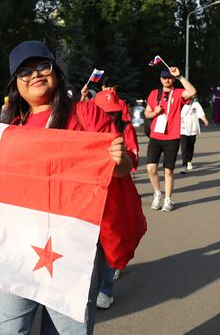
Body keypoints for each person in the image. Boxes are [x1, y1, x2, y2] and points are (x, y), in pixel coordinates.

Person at [0, 40, 137, 335]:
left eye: (42, 66)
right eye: (24, 72)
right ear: (16, 84)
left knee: (66, 331)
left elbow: (123, 167)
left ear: (56, 72)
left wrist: (119, 161)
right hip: (18, 242)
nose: (35, 74)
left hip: (72, 243)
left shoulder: (86, 114)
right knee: (5, 327)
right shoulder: (10, 125)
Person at [92, 88, 140, 309]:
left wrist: (121, 158)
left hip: (117, 193)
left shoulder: (126, 128)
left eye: (112, 112)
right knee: (93, 243)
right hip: (91, 194)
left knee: (111, 241)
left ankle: (106, 290)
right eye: (104, 112)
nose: (109, 117)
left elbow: (132, 157)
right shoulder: (85, 126)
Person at [144, 68, 197, 212]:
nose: (167, 80)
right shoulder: (154, 93)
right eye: (164, 77)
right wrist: (154, 112)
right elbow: (147, 113)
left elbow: (192, 92)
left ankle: (168, 199)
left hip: (172, 137)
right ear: (160, 79)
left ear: (173, 79)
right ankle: (157, 193)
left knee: (168, 171)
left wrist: (180, 76)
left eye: (170, 78)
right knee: (151, 168)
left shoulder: (179, 93)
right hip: (155, 136)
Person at [180, 98, 209, 174]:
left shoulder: (196, 104)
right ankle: (184, 165)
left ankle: (189, 161)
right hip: (182, 129)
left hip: (193, 128)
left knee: (191, 145)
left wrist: (205, 120)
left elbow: (200, 113)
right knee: (184, 147)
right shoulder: (181, 104)